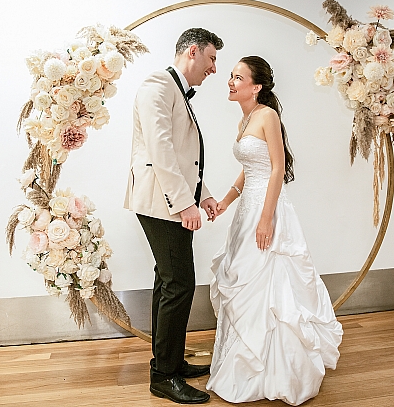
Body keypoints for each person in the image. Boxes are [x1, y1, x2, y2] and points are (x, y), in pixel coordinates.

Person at [206, 56, 343, 405]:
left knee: (272, 287)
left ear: (256, 87)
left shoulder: (267, 116)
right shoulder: (245, 118)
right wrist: (226, 201)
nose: (230, 82)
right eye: (231, 76)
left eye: (238, 78)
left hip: (266, 208)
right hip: (247, 211)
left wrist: (266, 219)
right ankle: (242, 364)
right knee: (243, 281)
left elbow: (277, 169)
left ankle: (279, 370)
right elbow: (250, 167)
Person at [124, 28, 224, 404]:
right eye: (212, 59)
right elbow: (161, 151)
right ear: (193, 51)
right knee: (179, 284)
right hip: (160, 203)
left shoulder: (174, 89)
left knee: (169, 282)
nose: (214, 69)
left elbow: (184, 157)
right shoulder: (158, 86)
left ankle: (169, 362)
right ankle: (164, 377)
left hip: (168, 199)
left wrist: (204, 194)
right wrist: (184, 204)